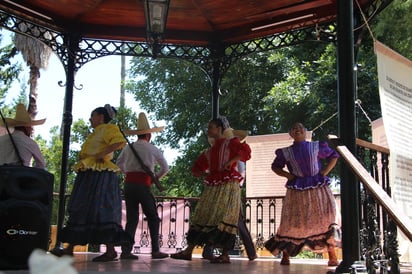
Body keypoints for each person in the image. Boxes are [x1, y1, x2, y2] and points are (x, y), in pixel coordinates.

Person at [170, 116, 251, 264]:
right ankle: (189, 251)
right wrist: (207, 173)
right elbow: (196, 168)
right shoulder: (210, 151)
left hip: (228, 184)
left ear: (219, 129)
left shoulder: (231, 143)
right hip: (213, 184)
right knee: (204, 214)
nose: (208, 130)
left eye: (211, 127)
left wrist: (231, 162)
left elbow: (245, 152)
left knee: (224, 216)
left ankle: (225, 254)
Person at [57, 104, 131, 262]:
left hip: (101, 174)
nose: (90, 119)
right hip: (89, 173)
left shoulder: (108, 128)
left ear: (101, 117)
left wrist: (101, 154)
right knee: (82, 207)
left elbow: (119, 142)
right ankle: (70, 248)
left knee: (102, 208)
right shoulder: (96, 133)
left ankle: (110, 251)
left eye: (93, 115)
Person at [264, 122, 341, 266]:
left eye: (300, 128)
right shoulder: (286, 152)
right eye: (294, 128)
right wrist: (289, 176)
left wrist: (324, 172)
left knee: (325, 218)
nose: (297, 130)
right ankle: (285, 255)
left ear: (305, 131)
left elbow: (334, 156)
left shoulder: (316, 146)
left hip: (318, 188)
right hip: (297, 191)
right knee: (292, 221)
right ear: (290, 134)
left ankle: (332, 255)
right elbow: (275, 167)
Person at [116, 112, 169, 260]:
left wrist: (128, 172)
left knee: (132, 218)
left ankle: (126, 251)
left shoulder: (128, 148)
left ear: (137, 135)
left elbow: (118, 164)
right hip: (143, 185)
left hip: (129, 185)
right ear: (149, 135)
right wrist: (154, 178)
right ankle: (155, 250)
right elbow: (165, 168)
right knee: (152, 217)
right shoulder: (153, 149)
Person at [202, 128, 257, 261]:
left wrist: (233, 187)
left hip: (232, 191)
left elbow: (241, 174)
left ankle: (250, 252)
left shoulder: (237, 157)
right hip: (221, 190)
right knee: (220, 218)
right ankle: (209, 249)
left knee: (234, 220)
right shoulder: (220, 155)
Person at [0, 103, 46, 168]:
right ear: (27, 128)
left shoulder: (1, 139)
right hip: (21, 177)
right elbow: (41, 165)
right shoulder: (30, 142)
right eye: (30, 127)